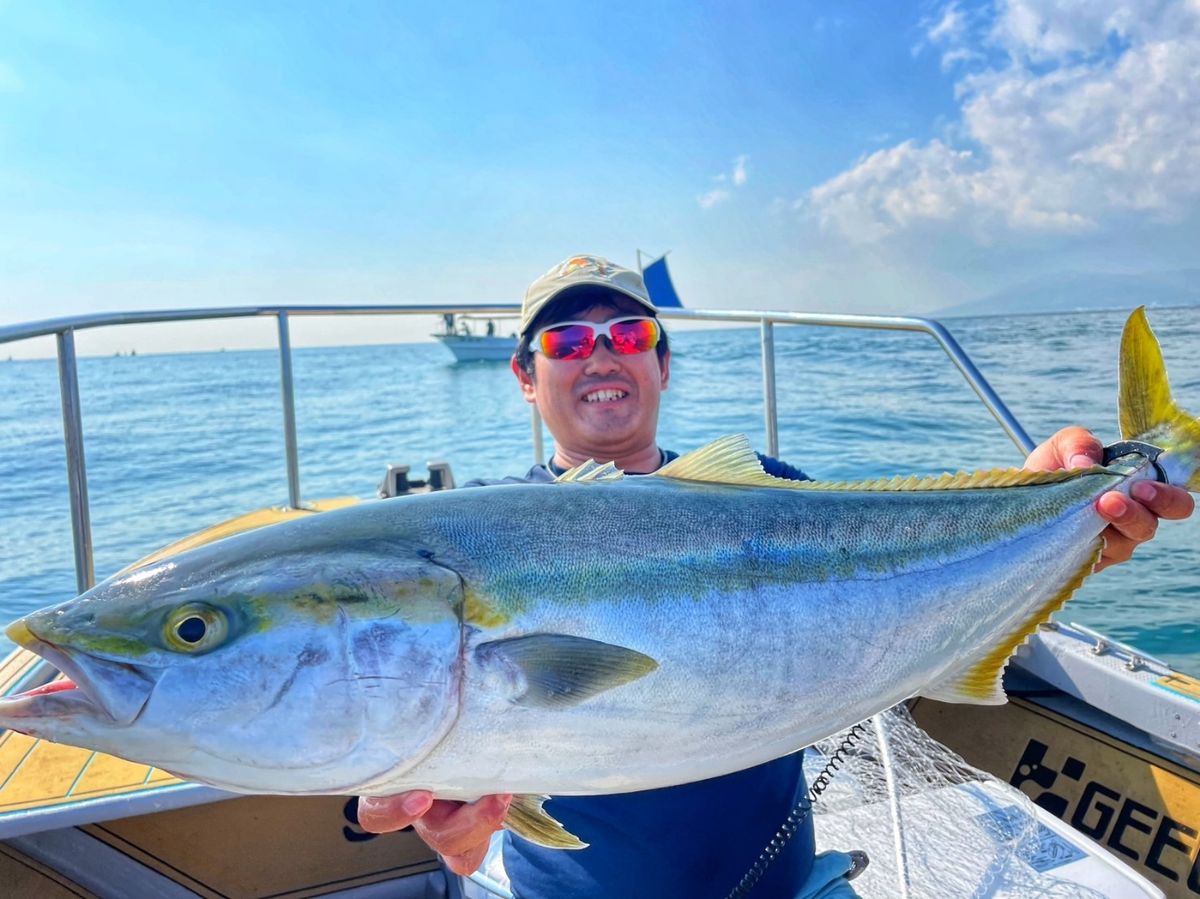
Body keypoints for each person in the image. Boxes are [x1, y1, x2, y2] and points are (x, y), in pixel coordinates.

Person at [359, 255, 1196, 897]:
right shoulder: (467, 545)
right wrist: (450, 832)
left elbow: (915, 575)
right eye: (568, 341)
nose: (602, 356)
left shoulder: (766, 493)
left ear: (663, 360)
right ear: (525, 374)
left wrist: (1069, 521)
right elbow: (384, 775)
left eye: (629, 335)